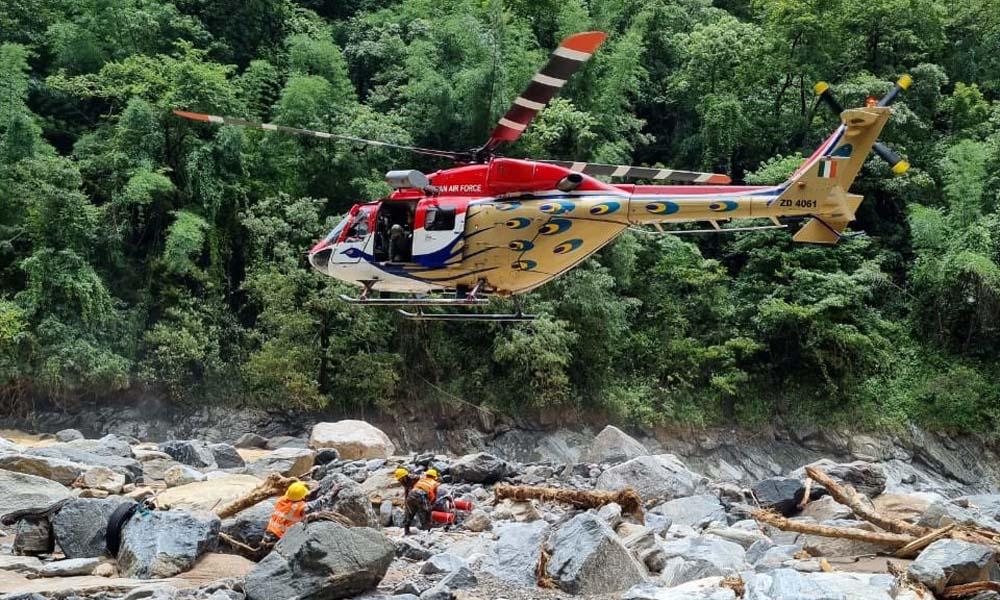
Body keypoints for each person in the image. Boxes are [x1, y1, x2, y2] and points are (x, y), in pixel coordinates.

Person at [261, 481, 340, 551]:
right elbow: (321, 502)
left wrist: (312, 491)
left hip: (267, 534)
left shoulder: (281, 500)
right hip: (279, 539)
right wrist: (332, 491)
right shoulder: (301, 507)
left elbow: (296, 497)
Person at [403, 468, 440, 535]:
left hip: (411, 494)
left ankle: (406, 530)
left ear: (427, 475)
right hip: (421, 495)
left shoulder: (421, 480)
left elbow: (412, 488)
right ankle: (428, 531)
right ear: (434, 477)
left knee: (410, 512)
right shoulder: (434, 483)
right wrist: (431, 504)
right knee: (427, 512)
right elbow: (433, 495)